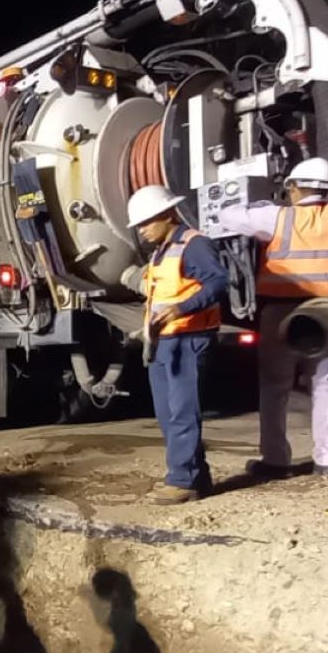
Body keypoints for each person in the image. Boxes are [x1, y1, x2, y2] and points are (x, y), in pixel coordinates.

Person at [213, 157, 328, 479]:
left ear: (295, 188)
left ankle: (276, 460)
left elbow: (227, 215)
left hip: (282, 311)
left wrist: (258, 199)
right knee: (327, 384)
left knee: (274, 386)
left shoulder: (276, 217)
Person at [128, 184, 228, 503]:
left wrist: (181, 309)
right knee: (168, 413)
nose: (142, 231)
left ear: (167, 215)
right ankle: (197, 475)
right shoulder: (162, 250)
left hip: (188, 337)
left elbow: (218, 281)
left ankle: (183, 481)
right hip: (165, 340)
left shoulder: (194, 245)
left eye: (146, 222)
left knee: (182, 411)